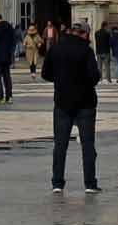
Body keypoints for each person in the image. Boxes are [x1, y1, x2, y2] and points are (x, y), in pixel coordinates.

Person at [43, 20, 102, 194]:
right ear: (84, 34)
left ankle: (57, 183)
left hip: (62, 102)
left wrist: (61, 80)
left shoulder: (56, 49)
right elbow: (94, 77)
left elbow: (46, 74)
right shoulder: (86, 51)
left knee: (60, 145)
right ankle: (90, 183)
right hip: (85, 103)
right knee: (88, 145)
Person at [0, 14, 18, 106]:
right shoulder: (10, 28)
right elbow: (14, 41)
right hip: (7, 56)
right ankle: (9, 97)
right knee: (7, 77)